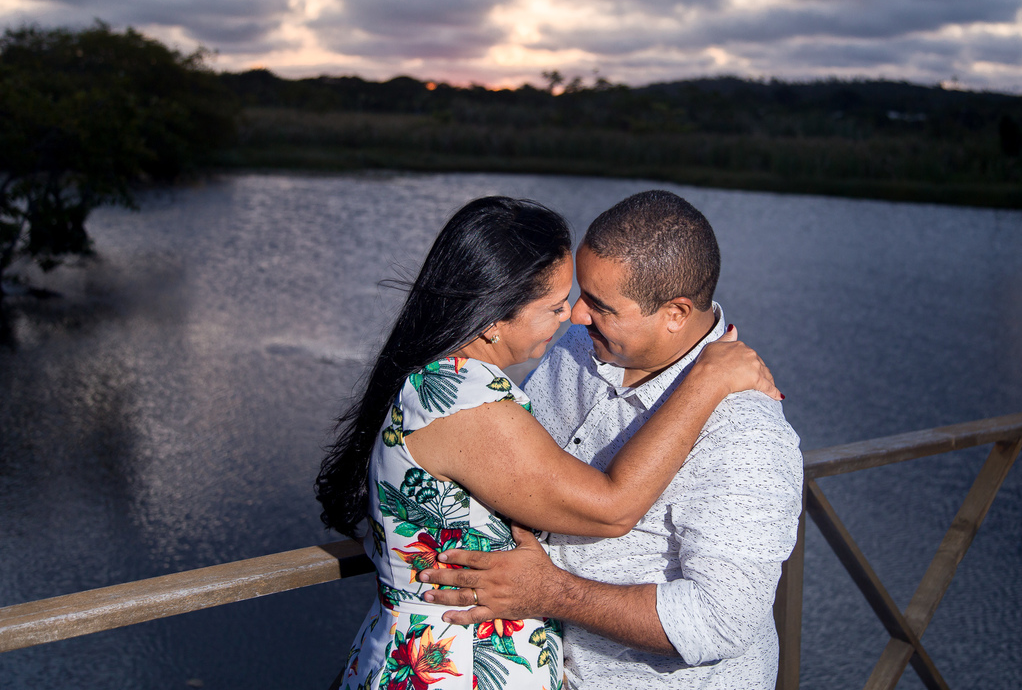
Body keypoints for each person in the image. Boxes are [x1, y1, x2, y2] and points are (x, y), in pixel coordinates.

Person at [315, 196, 781, 690]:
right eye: (560, 303)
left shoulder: (746, 428)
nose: (575, 316)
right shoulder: (496, 383)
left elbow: (722, 620)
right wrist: (705, 380)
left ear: (676, 313)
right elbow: (603, 505)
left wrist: (553, 593)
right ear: (494, 316)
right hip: (455, 665)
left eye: (595, 304)